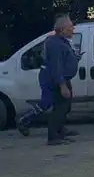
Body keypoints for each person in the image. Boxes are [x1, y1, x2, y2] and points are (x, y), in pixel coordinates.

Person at [17, 31, 82, 137]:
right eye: (70, 26)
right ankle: (24, 120)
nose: (72, 29)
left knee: (64, 105)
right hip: (49, 76)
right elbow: (54, 63)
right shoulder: (53, 40)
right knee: (47, 102)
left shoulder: (64, 40)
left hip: (59, 76)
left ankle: (59, 128)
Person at [43, 14, 80, 146]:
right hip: (59, 81)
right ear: (62, 29)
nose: (73, 28)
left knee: (65, 107)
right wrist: (62, 85)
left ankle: (60, 132)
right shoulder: (55, 44)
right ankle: (53, 137)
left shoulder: (62, 41)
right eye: (70, 26)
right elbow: (56, 66)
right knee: (60, 108)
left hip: (64, 79)